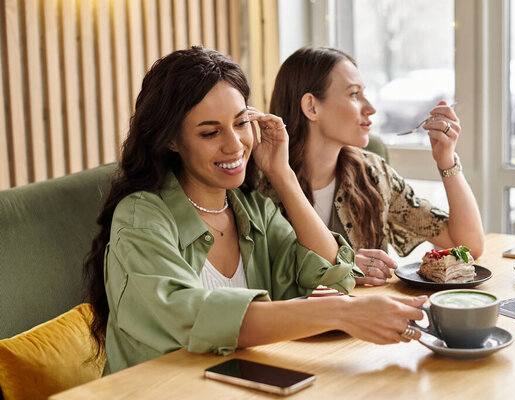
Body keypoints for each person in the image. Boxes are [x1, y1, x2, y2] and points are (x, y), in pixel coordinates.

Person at [82, 46, 427, 374]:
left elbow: (332, 276)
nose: (234, 144)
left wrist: (282, 174)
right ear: (172, 140)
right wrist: (341, 312)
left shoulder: (252, 210)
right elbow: (194, 317)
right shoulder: (141, 218)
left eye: (240, 122)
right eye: (209, 132)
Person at [260, 46, 485, 286]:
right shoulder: (260, 186)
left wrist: (447, 160)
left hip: (372, 317)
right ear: (312, 107)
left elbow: (467, 246)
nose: (371, 108)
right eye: (354, 94)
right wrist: (345, 266)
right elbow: (265, 278)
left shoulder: (373, 174)